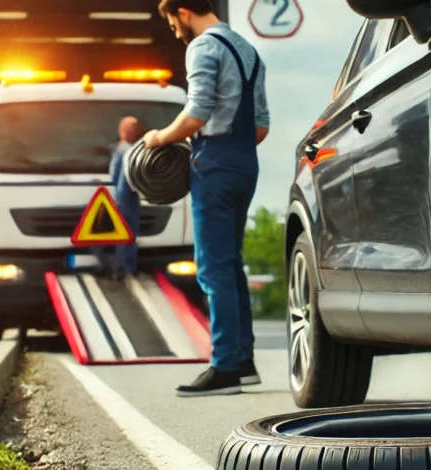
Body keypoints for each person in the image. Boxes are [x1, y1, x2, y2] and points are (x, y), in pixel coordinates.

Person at [144, 0, 270, 396]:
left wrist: (159, 138)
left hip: (213, 165)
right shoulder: (249, 50)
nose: (173, 30)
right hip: (245, 164)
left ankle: (224, 367)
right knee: (232, 265)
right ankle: (243, 361)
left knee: (212, 268)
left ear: (183, 11)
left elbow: (196, 113)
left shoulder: (201, 46)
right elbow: (261, 126)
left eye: (171, 21)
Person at [95, 117, 145, 280]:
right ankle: (124, 268)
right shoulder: (131, 151)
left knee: (124, 234)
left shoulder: (121, 150)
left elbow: (114, 174)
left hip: (124, 197)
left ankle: (121, 266)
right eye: (132, 129)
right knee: (127, 234)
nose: (134, 132)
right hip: (127, 198)